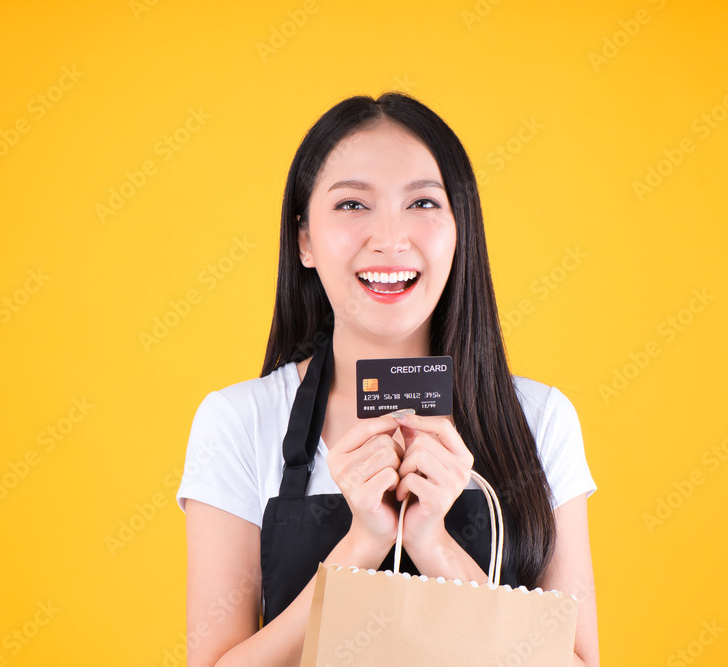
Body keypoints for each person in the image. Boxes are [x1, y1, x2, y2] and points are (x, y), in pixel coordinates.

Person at [176, 92, 599, 666]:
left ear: (460, 230)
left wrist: (434, 546)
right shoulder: (238, 422)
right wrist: (362, 545)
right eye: (352, 205)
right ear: (304, 239)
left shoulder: (540, 419)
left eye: (423, 203)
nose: (390, 238)